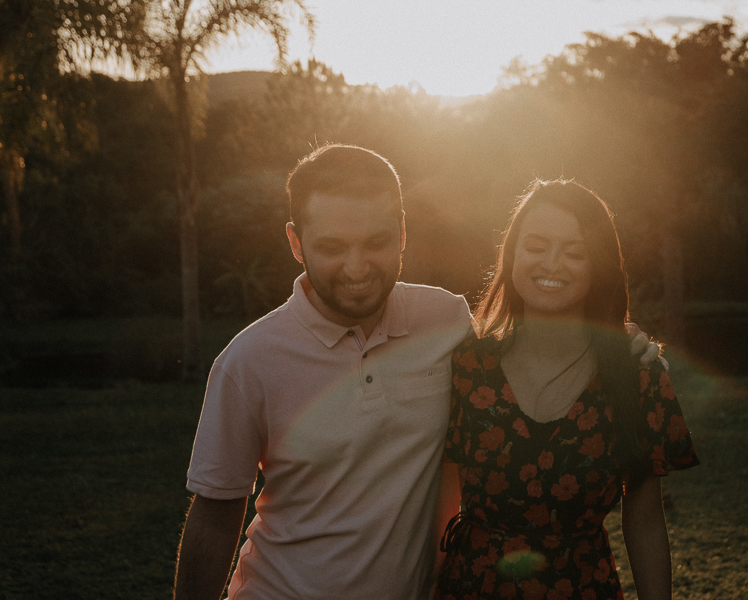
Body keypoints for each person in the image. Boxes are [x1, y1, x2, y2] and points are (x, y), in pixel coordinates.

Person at [174, 144, 661, 600]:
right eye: (332, 246)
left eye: (377, 242)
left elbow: (531, 350)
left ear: (403, 232)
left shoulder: (445, 321)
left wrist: (616, 340)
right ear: (295, 242)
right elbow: (215, 519)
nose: (357, 266)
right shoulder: (248, 361)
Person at [436, 179, 699, 600]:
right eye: (537, 246)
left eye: (575, 252)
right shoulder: (467, 364)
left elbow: (646, 523)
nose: (552, 264)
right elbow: (444, 505)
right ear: (513, 254)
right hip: (472, 587)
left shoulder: (637, 376)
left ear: (599, 266)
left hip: (582, 588)